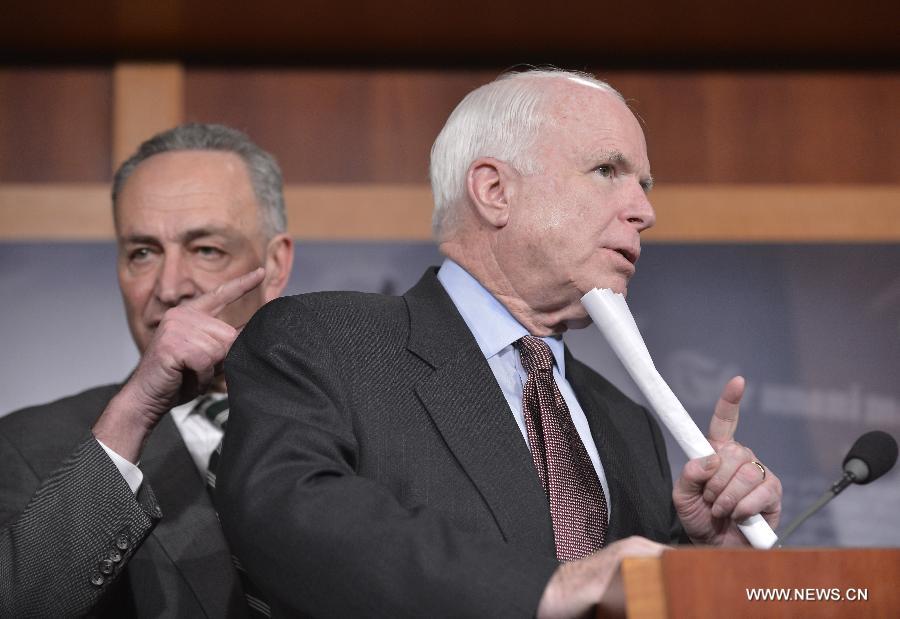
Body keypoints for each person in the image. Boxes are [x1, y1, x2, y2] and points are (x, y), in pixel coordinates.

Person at [217, 70, 783, 618]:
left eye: (644, 184)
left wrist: (703, 562)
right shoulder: (327, 342)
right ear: (494, 192)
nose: (645, 211)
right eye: (608, 169)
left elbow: (623, 591)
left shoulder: (626, 422)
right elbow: (289, 517)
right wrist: (549, 590)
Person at [0, 123, 294, 618]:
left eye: (206, 249)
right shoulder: (26, 445)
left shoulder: (364, 422)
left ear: (275, 264)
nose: (170, 286)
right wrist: (133, 416)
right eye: (143, 253)